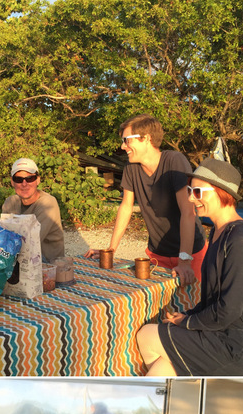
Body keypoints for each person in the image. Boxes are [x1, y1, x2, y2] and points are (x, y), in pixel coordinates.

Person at [135, 157, 243, 376]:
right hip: (220, 331)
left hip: (236, 345)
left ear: (221, 192)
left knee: (147, 335)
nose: (190, 198)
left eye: (198, 192)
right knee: (165, 365)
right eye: (190, 190)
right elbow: (213, 299)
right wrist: (188, 315)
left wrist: (189, 322)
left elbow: (230, 309)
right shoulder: (218, 232)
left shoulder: (241, 239)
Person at [86, 115, 205, 286]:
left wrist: (185, 260)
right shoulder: (131, 167)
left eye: (127, 140)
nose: (123, 146)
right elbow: (126, 207)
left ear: (147, 138)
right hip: (157, 254)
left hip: (190, 253)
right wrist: (111, 250)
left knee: (194, 307)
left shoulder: (174, 161)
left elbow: (188, 212)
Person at [0, 158, 65, 265]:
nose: (24, 184)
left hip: (42, 262)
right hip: (14, 257)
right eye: (19, 179)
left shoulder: (47, 203)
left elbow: (30, 244)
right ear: (12, 182)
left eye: (30, 178)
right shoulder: (10, 202)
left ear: (37, 180)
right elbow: (3, 238)